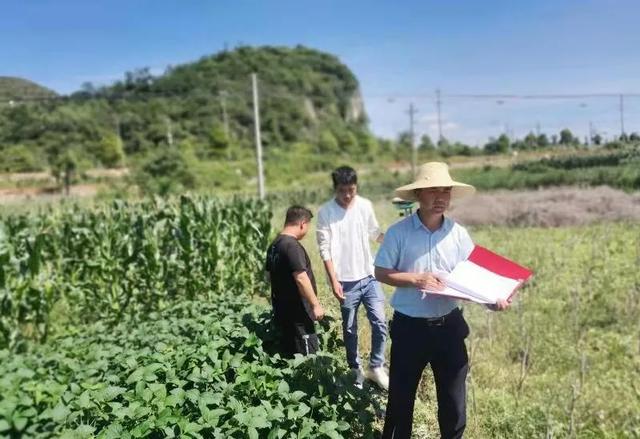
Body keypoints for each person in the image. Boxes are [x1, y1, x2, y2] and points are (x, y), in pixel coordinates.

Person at [374, 162, 510, 439]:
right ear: (418, 195)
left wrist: (491, 300)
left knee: (454, 404)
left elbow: (473, 279)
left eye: (445, 191)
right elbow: (381, 272)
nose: (440, 198)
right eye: (433, 191)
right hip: (410, 328)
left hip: (449, 328)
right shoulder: (399, 233)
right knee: (400, 401)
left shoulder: (458, 234)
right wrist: (416, 279)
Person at [316, 166, 389, 389]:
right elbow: (324, 249)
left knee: (380, 322)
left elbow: (375, 233)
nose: (347, 195)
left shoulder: (365, 205)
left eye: (352, 190)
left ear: (356, 187)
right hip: (345, 281)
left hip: (369, 275)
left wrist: (396, 240)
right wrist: (334, 280)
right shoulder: (326, 212)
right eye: (342, 191)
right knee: (350, 328)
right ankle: (355, 369)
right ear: (335, 189)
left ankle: (376, 366)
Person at [266, 205, 325, 357]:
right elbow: (301, 278)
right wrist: (315, 305)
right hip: (299, 313)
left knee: (289, 354)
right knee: (307, 357)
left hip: (282, 311)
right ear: (302, 224)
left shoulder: (274, 245)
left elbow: (269, 276)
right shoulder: (291, 246)